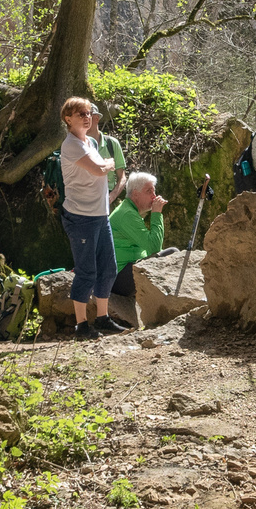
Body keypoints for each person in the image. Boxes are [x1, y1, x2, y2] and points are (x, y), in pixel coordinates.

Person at [59, 96, 128, 337]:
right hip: (81, 217)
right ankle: (81, 325)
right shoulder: (71, 145)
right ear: (68, 119)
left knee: (108, 268)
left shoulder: (90, 142)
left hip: (100, 215)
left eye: (89, 113)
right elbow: (99, 169)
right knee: (86, 271)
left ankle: (102, 318)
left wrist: (106, 166)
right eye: (81, 114)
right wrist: (110, 164)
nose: (87, 118)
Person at [109, 170, 167, 317]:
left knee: (168, 256)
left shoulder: (129, 211)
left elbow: (149, 250)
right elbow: (154, 247)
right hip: (118, 279)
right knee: (171, 255)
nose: (154, 196)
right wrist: (156, 214)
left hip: (122, 273)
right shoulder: (127, 214)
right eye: (149, 191)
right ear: (135, 194)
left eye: (154, 191)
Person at [87, 104, 130, 208]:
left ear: (96, 118)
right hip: (86, 196)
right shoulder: (79, 145)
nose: (84, 120)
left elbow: (122, 177)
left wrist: (111, 196)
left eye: (88, 116)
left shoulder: (111, 143)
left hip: (107, 195)